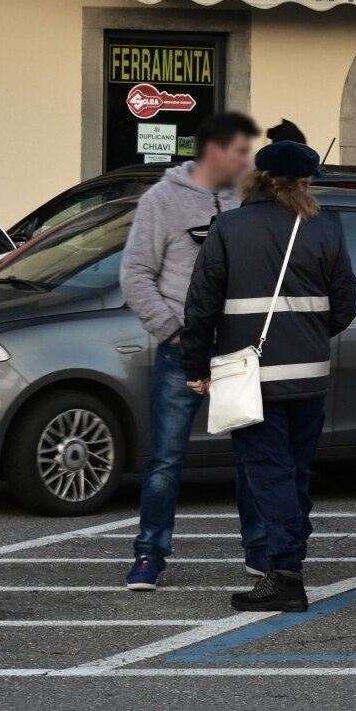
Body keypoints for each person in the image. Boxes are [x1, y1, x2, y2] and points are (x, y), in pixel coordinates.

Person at [181, 133, 356, 612]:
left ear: (259, 179)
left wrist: (196, 365)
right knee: (296, 472)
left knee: (268, 473)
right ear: (304, 184)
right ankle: (291, 558)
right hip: (310, 373)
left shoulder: (230, 228)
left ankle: (284, 575)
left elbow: (200, 305)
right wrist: (308, 336)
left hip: (251, 374)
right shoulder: (326, 230)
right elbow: (345, 306)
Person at [120, 112, 267, 592]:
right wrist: (173, 332)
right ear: (214, 150)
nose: (247, 160)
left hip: (237, 350)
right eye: (241, 151)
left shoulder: (245, 197)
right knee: (166, 457)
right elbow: (136, 274)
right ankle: (149, 553)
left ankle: (260, 550)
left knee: (250, 453)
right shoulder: (161, 201)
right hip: (183, 350)